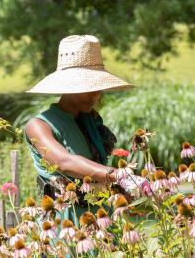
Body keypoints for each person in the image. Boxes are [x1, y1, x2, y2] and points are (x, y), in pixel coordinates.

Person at [25, 35, 133, 222]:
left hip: (100, 215)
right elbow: (64, 162)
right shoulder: (39, 125)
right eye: (89, 87)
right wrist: (118, 175)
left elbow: (95, 164)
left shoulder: (91, 120)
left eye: (98, 87)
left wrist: (123, 190)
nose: (96, 94)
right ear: (69, 86)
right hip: (65, 220)